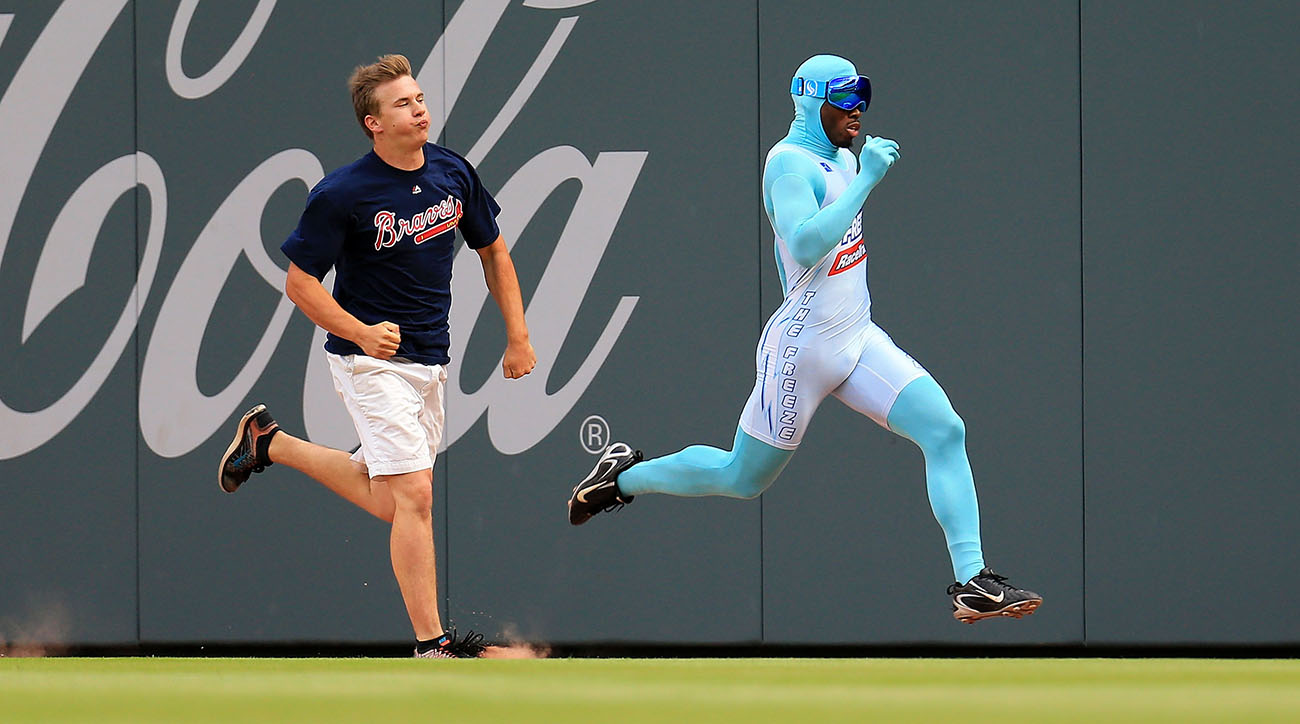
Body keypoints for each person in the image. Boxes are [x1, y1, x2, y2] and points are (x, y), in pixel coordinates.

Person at [567, 54, 1041, 624]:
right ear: (814, 103)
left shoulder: (839, 155)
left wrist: (857, 171)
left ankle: (973, 582)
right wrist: (866, 180)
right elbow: (807, 242)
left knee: (945, 430)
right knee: (741, 478)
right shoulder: (790, 166)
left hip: (857, 336)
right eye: (845, 100)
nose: (858, 111)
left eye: (862, 97)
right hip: (804, 349)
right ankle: (622, 479)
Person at [219, 54, 535, 657]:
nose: (419, 109)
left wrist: (517, 336)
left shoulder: (452, 172)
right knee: (415, 496)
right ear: (374, 122)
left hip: (428, 359)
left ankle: (270, 443)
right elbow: (300, 283)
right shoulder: (343, 193)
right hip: (369, 361)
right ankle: (432, 645)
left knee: (394, 500)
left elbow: (493, 251)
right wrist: (361, 333)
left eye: (419, 98)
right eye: (403, 103)